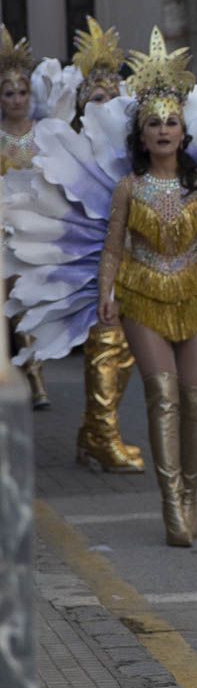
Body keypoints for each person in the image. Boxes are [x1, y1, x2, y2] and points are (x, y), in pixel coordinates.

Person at [96, 28, 197, 546]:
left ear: (183, 133)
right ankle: (171, 501)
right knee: (163, 396)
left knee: (196, 401)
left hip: (195, 295)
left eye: (171, 122)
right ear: (141, 136)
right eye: (154, 122)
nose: (164, 130)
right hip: (142, 294)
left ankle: (190, 493)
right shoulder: (128, 188)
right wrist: (106, 292)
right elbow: (113, 248)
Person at [70, 18, 144, 473]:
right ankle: (105, 437)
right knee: (104, 340)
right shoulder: (70, 150)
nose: (103, 107)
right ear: (82, 106)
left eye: (111, 99)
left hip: (135, 260)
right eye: (95, 99)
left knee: (129, 348)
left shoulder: (134, 152)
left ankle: (93, 430)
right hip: (90, 260)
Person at [0, 25, 50, 408]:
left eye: (22, 92)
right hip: (2, 230)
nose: (16, 99)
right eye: (8, 93)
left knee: (31, 304)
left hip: (36, 229)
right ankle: (25, 378)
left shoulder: (44, 134)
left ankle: (35, 375)